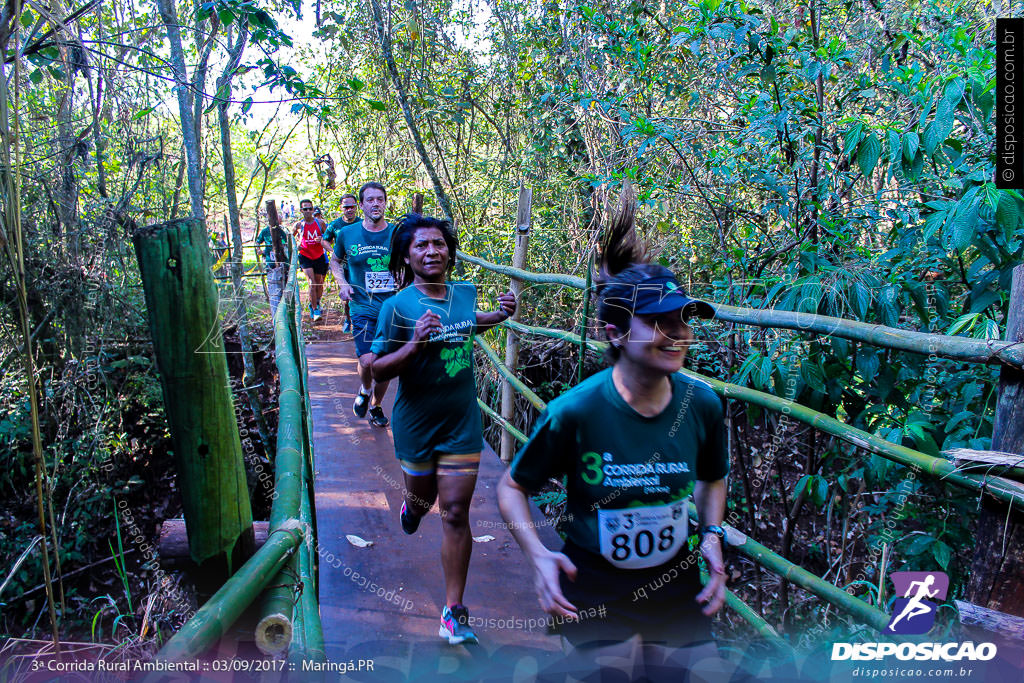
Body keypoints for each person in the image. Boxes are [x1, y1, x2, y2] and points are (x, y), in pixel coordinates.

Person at [496, 198, 728, 676]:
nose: (678, 333)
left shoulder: (701, 404)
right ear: (616, 333)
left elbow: (713, 477)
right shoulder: (576, 411)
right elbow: (512, 487)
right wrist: (539, 556)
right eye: (659, 323)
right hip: (595, 580)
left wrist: (711, 535)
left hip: (676, 579)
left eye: (683, 319)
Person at [370, 213, 516, 646]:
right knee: (422, 499)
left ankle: (453, 612)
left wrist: (499, 315)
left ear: (449, 250)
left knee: (454, 512)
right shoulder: (396, 307)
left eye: (438, 244)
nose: (431, 251)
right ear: (407, 256)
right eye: (421, 246)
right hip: (416, 423)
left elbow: (467, 327)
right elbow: (375, 366)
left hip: (460, 422)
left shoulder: (465, 293)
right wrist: (414, 344)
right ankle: (411, 509)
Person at [329, 182, 397, 427]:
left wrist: (404, 276)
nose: (376, 203)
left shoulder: (397, 234)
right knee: (368, 361)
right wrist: (342, 283)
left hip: (391, 309)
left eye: (380, 199)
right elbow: (335, 261)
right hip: (361, 306)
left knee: (384, 364)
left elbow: (411, 261)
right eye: (370, 200)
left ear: (385, 203)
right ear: (361, 205)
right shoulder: (347, 234)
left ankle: (376, 405)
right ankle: (365, 388)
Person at [324, 193, 360, 333]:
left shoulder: (363, 223)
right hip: (343, 266)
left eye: (352, 206)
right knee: (347, 295)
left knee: (361, 294)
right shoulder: (335, 225)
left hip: (360, 266)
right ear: (341, 208)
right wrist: (334, 252)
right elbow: (324, 239)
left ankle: (360, 321)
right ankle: (348, 319)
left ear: (357, 207)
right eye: (346, 207)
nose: (349, 209)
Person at [293, 198, 330, 321]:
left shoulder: (320, 223)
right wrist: (296, 245)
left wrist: (323, 241)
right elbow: (290, 239)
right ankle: (314, 310)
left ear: (313, 210)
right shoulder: (298, 225)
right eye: (305, 209)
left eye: (310, 208)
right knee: (311, 282)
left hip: (319, 255)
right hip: (305, 256)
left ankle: (316, 302)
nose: (308, 211)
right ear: (301, 210)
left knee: (319, 284)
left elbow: (330, 238)